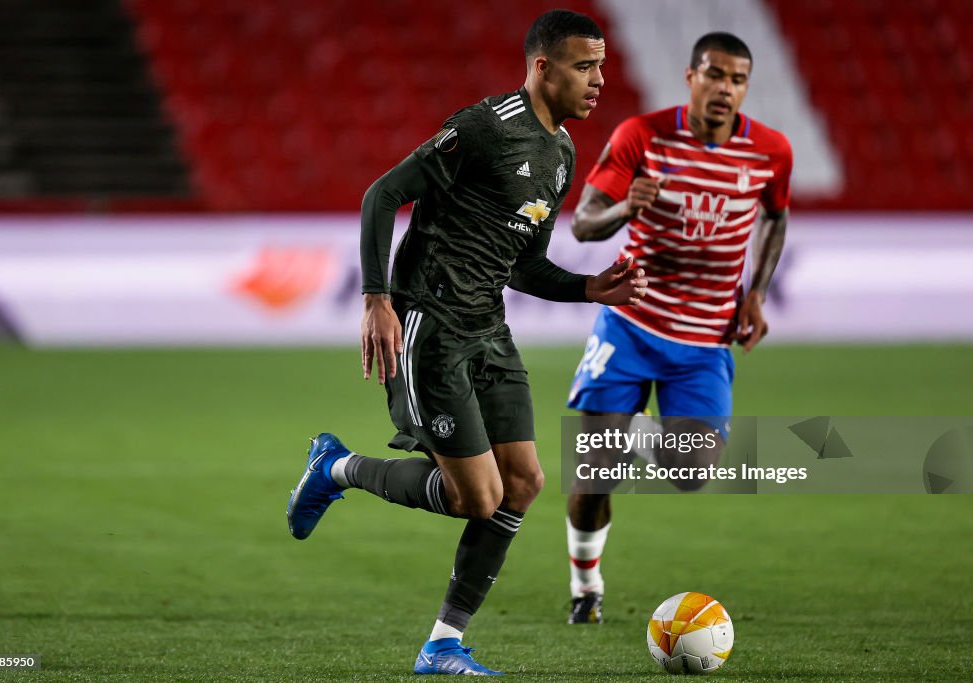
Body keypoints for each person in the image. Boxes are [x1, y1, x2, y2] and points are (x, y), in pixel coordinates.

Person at [285, 9, 648, 676]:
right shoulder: (485, 128)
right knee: (475, 498)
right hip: (431, 326)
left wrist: (590, 287)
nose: (599, 79)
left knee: (524, 482)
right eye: (583, 66)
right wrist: (377, 297)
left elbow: (525, 264)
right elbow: (381, 193)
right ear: (543, 67)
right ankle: (337, 467)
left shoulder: (561, 154)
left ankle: (442, 644)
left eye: (600, 65)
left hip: (490, 329)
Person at [563, 32, 793, 624]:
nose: (725, 88)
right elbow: (585, 225)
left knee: (690, 473)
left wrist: (757, 293)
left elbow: (775, 215)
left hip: (703, 341)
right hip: (631, 325)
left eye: (737, 79)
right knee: (595, 476)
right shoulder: (642, 136)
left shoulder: (770, 151)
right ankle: (585, 585)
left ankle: (634, 432)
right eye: (715, 74)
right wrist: (624, 209)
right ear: (691, 76)